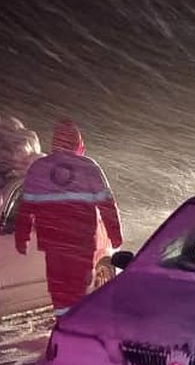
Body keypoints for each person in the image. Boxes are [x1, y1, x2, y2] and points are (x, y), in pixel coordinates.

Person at [14, 119, 124, 315]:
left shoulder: (39, 168)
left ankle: (63, 325)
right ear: (77, 143)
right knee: (78, 289)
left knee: (59, 291)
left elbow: (26, 209)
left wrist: (22, 238)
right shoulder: (89, 168)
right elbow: (107, 205)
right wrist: (115, 235)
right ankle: (75, 328)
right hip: (80, 243)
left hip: (53, 244)